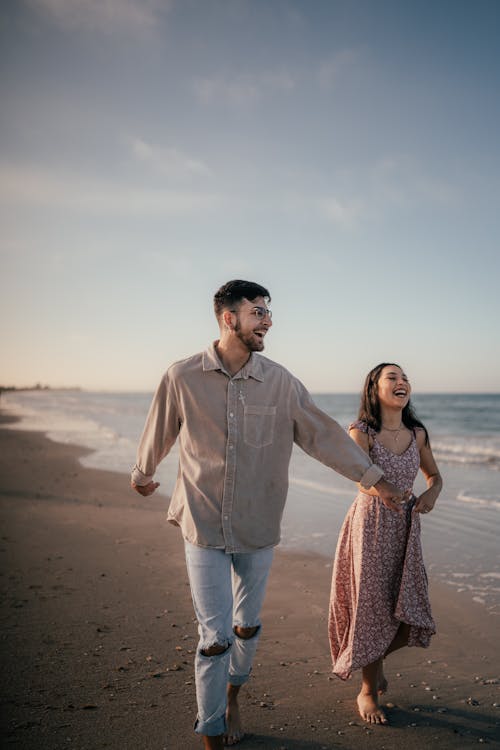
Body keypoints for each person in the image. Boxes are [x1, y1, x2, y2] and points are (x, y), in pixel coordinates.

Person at [131, 281, 403, 750]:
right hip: (202, 521)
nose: (268, 321)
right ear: (228, 318)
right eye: (258, 313)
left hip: (259, 525)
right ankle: (212, 730)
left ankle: (234, 695)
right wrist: (142, 471)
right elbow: (159, 427)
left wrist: (372, 476)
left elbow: (324, 435)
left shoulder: (281, 382)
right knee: (214, 637)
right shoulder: (182, 376)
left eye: (268, 313)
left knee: (246, 627)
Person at [328, 362, 443, 726]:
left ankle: (372, 663)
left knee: (412, 613)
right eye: (392, 377)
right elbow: (359, 476)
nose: (402, 382)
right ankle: (367, 690)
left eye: (405, 377)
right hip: (371, 527)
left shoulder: (418, 433)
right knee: (374, 609)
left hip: (406, 530)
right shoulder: (361, 431)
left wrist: (432, 494)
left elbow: (434, 475)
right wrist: (384, 488)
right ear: (374, 387)